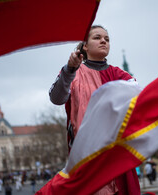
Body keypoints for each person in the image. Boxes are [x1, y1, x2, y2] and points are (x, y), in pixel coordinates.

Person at [49, 25, 140, 194]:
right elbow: (56, 98)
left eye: (106, 38)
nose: (103, 41)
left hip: (117, 158)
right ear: (85, 45)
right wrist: (69, 70)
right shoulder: (73, 72)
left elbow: (139, 98)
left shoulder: (120, 74)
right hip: (86, 160)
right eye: (97, 37)